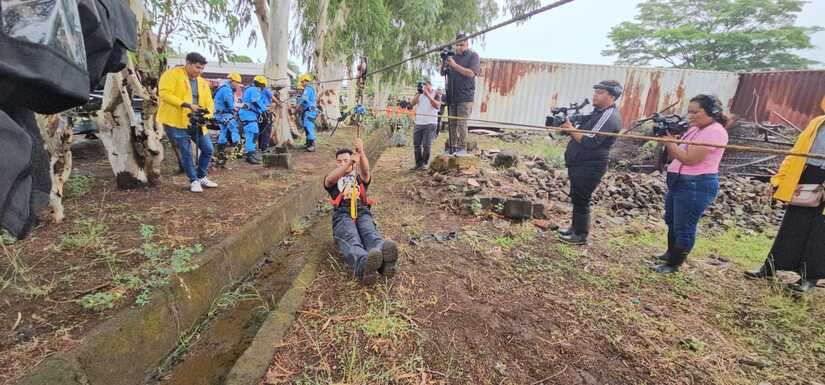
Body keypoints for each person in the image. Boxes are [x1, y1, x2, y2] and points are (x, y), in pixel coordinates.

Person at [744, 97, 825, 293]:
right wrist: (779, 179)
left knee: (820, 231)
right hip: (809, 176)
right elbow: (796, 152)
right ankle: (770, 267)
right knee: (792, 225)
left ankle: (809, 278)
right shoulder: (818, 122)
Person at [652, 94, 729, 273]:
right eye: (689, 112)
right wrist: (669, 139)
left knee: (684, 226)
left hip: (696, 184)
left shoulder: (714, 132)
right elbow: (677, 152)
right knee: (672, 220)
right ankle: (670, 253)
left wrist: (669, 142)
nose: (691, 116)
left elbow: (689, 159)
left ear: (712, 112)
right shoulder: (696, 129)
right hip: (680, 181)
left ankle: (674, 264)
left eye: (696, 112)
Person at [557, 80, 623, 245]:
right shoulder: (597, 113)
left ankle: (580, 235)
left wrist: (571, 129)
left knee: (582, 198)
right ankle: (575, 228)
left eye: (600, 92)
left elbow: (590, 141)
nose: (595, 95)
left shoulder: (609, 116)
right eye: (595, 92)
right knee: (577, 197)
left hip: (591, 165)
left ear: (612, 96)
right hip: (580, 162)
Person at [324, 138, 399, 284]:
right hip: (342, 214)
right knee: (351, 237)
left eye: (345, 160)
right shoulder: (333, 180)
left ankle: (384, 259)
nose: (342, 163)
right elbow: (330, 180)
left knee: (370, 233)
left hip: (362, 211)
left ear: (354, 162)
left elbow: (366, 172)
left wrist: (361, 152)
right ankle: (363, 264)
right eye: (339, 161)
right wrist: (349, 162)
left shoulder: (359, 178)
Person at [157, 52, 218, 193]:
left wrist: (207, 114)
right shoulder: (172, 75)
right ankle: (193, 180)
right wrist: (187, 105)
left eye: (202, 68)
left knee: (208, 149)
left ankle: (201, 176)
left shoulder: (202, 82)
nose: (200, 71)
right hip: (176, 121)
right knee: (186, 152)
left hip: (197, 121)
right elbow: (164, 93)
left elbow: (209, 102)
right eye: (197, 67)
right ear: (188, 63)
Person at [440, 33, 480, 155]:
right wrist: (444, 61)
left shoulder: (473, 56)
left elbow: (471, 73)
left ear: (467, 44)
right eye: (457, 45)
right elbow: (442, 73)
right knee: (452, 123)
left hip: (465, 97)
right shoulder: (453, 56)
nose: (459, 47)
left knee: (462, 123)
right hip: (452, 96)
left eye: (462, 45)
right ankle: (452, 147)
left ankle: (462, 149)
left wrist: (454, 65)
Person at [213, 72, 243, 167]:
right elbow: (228, 103)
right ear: (232, 81)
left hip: (219, 114)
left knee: (224, 131)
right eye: (237, 83)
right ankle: (238, 151)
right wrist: (234, 110)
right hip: (225, 114)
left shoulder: (223, 87)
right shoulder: (227, 89)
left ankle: (220, 151)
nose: (238, 85)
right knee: (235, 129)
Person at [411, 80, 442, 170]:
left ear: (430, 85)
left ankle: (424, 163)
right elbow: (412, 103)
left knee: (426, 145)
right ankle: (418, 164)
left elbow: (437, 106)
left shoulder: (436, 93)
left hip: (430, 123)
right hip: (419, 122)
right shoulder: (419, 94)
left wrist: (428, 95)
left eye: (426, 85)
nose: (424, 87)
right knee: (416, 144)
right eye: (423, 85)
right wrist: (419, 93)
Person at [238, 75, 268, 164]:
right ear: (261, 84)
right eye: (263, 86)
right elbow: (256, 101)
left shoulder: (250, 89)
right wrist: (264, 110)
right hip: (248, 115)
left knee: (254, 133)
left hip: (250, 114)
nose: (263, 88)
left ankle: (251, 153)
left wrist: (262, 111)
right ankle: (249, 155)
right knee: (251, 134)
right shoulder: (254, 90)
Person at [298, 73, 318, 152]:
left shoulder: (308, 88)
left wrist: (297, 106)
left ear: (306, 81)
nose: (302, 83)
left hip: (310, 111)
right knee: (306, 127)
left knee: (309, 127)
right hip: (307, 111)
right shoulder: (307, 89)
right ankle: (308, 143)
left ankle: (312, 145)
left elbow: (303, 98)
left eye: (302, 82)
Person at [258, 85, 274, 152]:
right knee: (267, 129)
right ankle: (264, 147)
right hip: (266, 111)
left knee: (261, 129)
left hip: (259, 112)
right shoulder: (266, 90)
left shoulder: (257, 91)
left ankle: (260, 146)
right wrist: (279, 103)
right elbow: (273, 97)